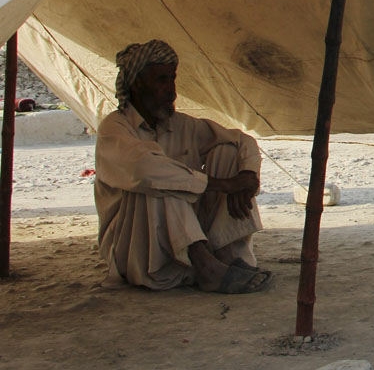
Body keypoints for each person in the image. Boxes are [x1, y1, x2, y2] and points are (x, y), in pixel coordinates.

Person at [94, 40, 272, 293]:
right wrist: (222, 185)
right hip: (136, 245)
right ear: (136, 84)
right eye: (161, 80)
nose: (171, 90)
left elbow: (243, 141)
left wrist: (246, 177)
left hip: (185, 233)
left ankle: (226, 255)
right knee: (163, 180)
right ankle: (205, 267)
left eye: (172, 79)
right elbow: (144, 170)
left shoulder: (182, 125)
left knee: (228, 151)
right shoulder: (115, 128)